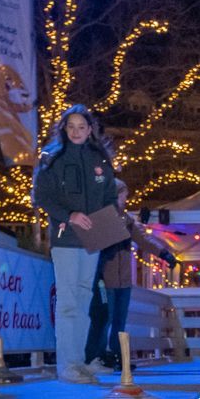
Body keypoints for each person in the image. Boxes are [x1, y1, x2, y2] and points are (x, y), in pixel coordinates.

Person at [32, 104, 117, 383]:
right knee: (68, 302)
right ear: (64, 130)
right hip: (65, 237)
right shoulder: (51, 159)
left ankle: (78, 361)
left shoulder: (100, 159)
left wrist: (109, 231)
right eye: (71, 127)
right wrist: (69, 215)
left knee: (84, 299)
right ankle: (67, 365)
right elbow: (42, 196)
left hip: (92, 239)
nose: (77, 131)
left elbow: (109, 198)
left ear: (90, 129)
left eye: (82, 127)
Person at [85, 179, 177, 371]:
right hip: (105, 279)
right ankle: (97, 355)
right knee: (104, 318)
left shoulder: (127, 219)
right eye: (123, 194)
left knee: (119, 319)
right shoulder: (101, 217)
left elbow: (144, 240)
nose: (126, 198)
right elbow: (94, 245)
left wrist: (164, 253)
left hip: (123, 280)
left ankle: (118, 354)